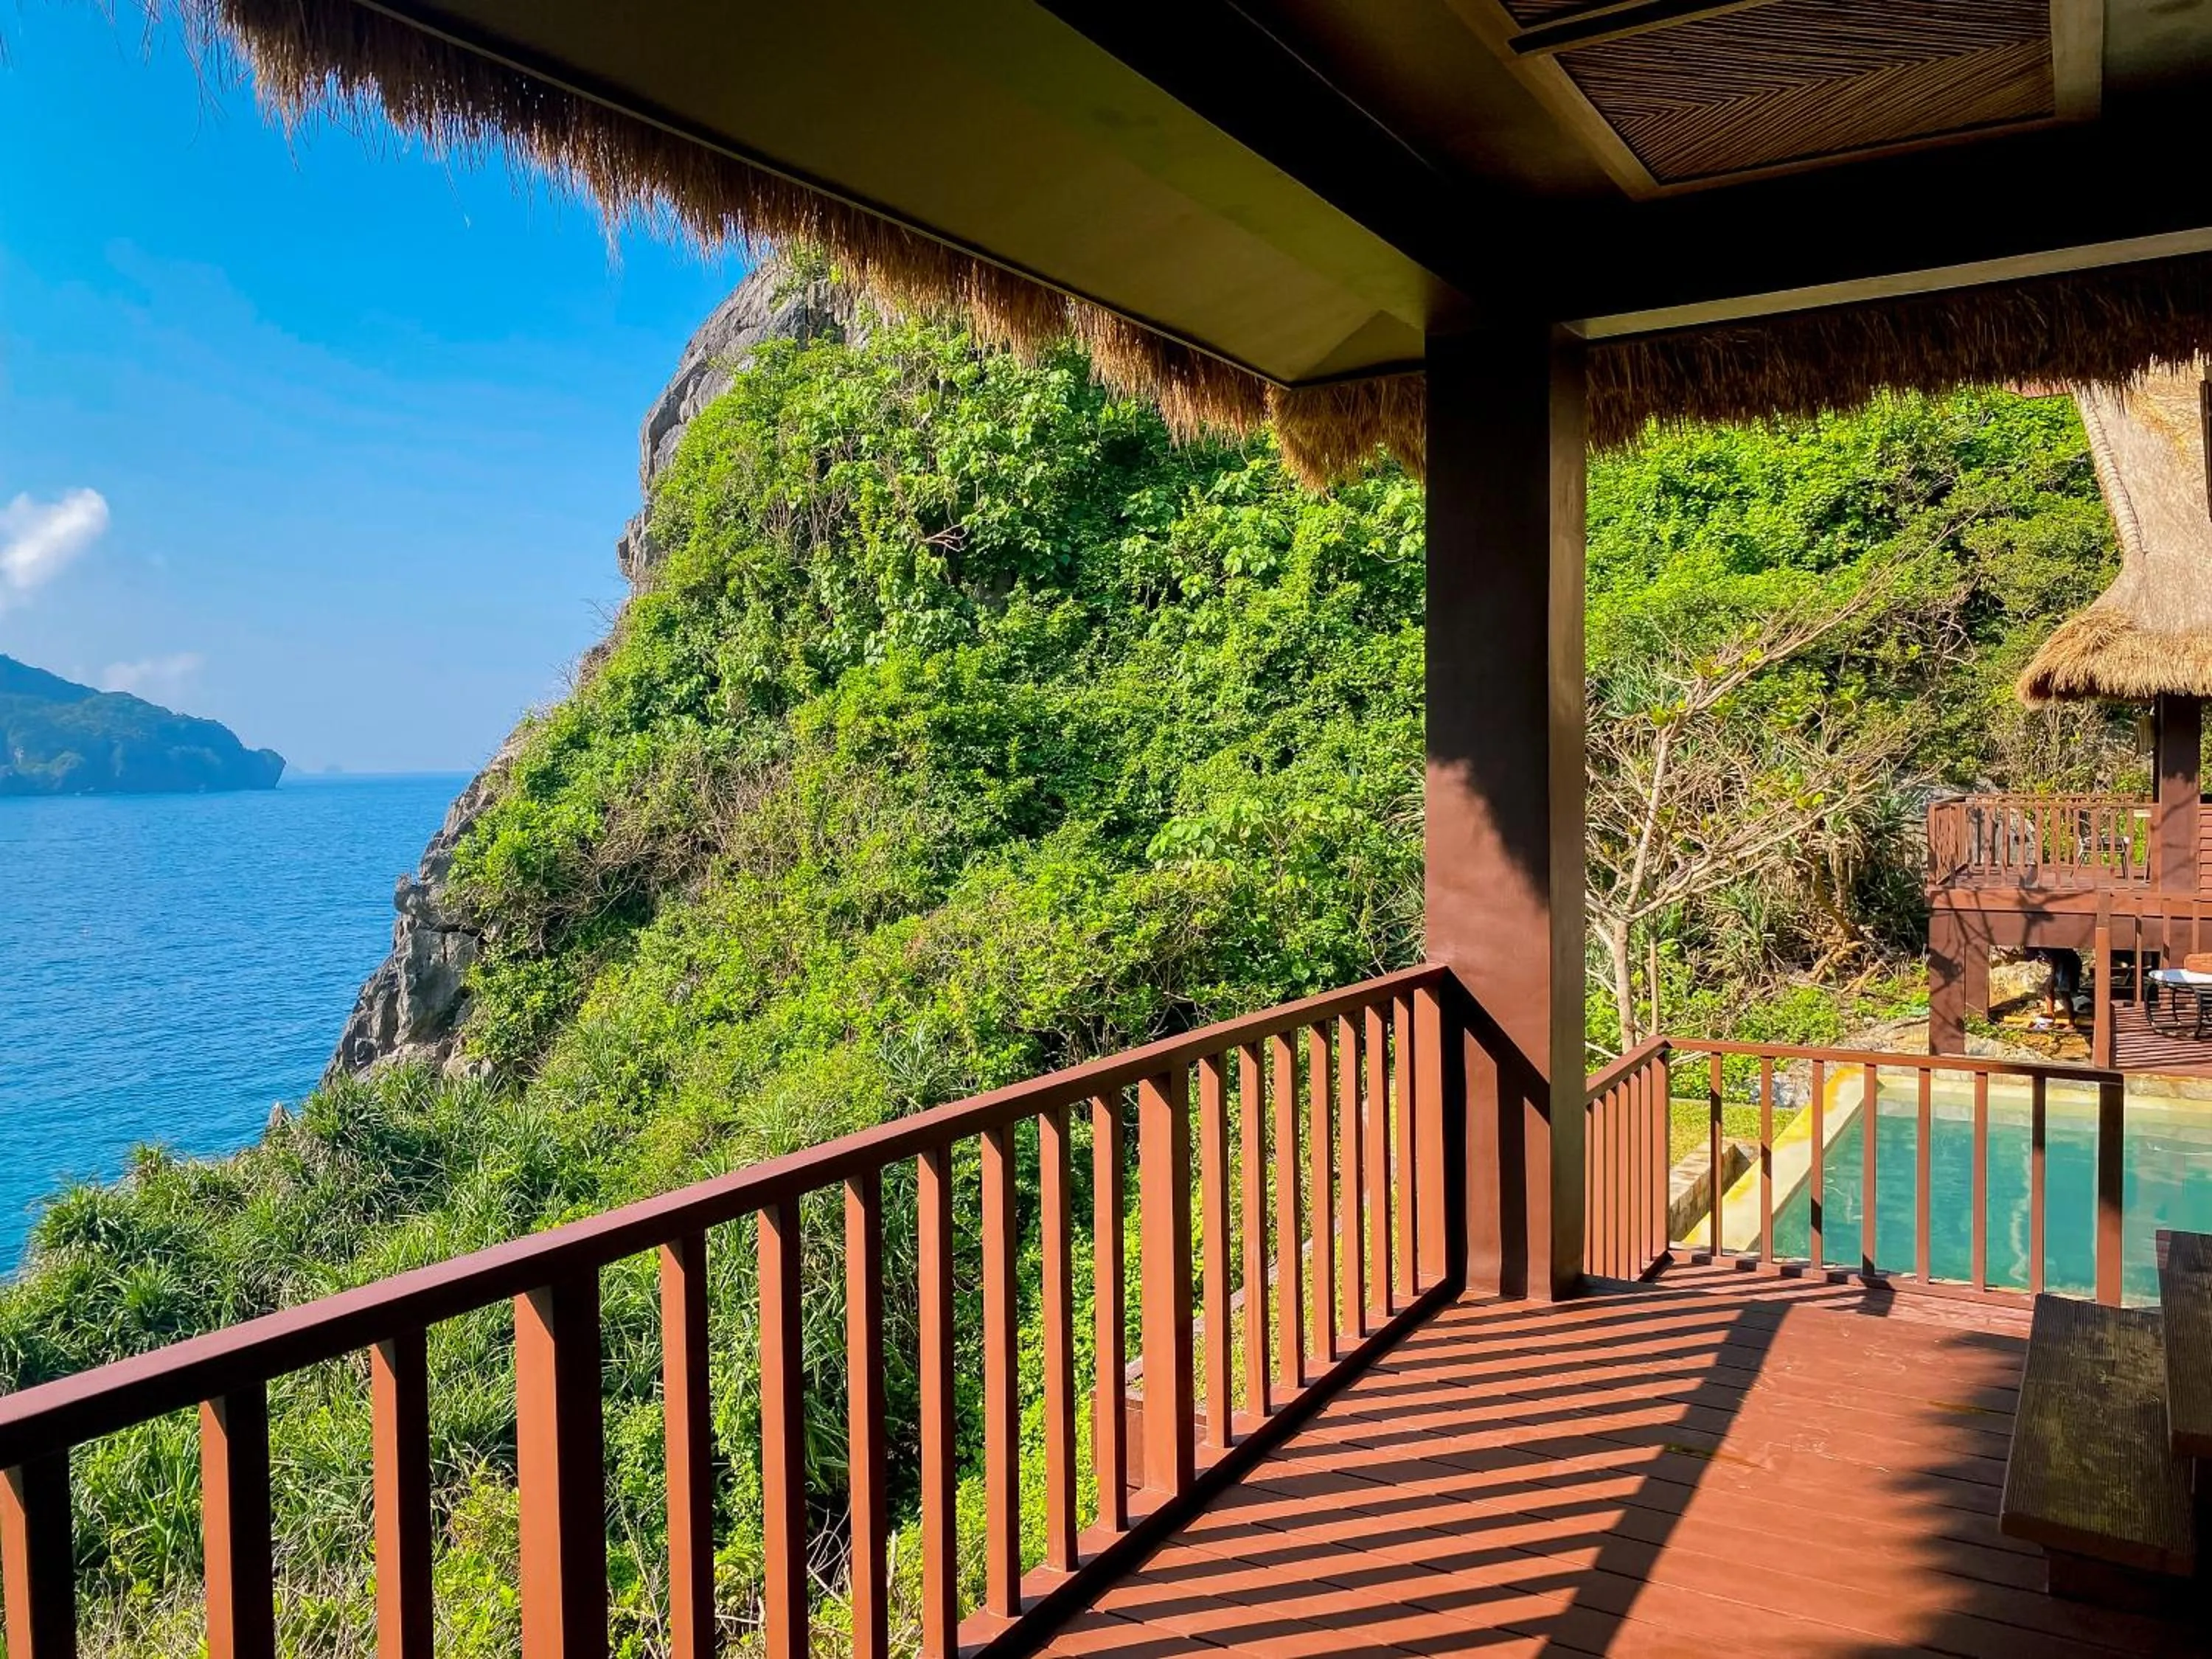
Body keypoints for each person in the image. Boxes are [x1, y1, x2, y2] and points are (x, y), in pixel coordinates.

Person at [2025, 947, 2085, 1020]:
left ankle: (2071, 1022)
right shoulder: (2035, 948)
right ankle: (2050, 1014)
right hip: (2059, 964)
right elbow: (2027, 958)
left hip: (2068, 963)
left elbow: (2054, 960)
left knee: (2064, 992)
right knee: (2047, 988)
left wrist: (2053, 977)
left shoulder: (2045, 946)